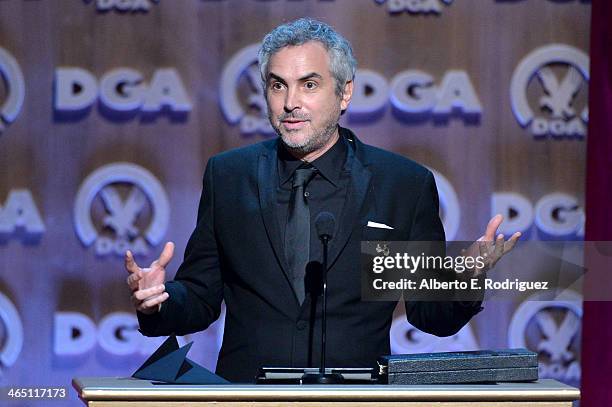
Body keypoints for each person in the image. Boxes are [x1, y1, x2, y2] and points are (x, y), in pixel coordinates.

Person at [126, 18, 520, 383]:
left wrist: (466, 280)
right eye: (278, 85)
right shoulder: (229, 177)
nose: (290, 103)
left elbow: (430, 314)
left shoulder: (401, 185)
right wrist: (158, 302)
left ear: (345, 92)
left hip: (356, 398)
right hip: (247, 396)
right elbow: (200, 297)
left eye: (309, 85)